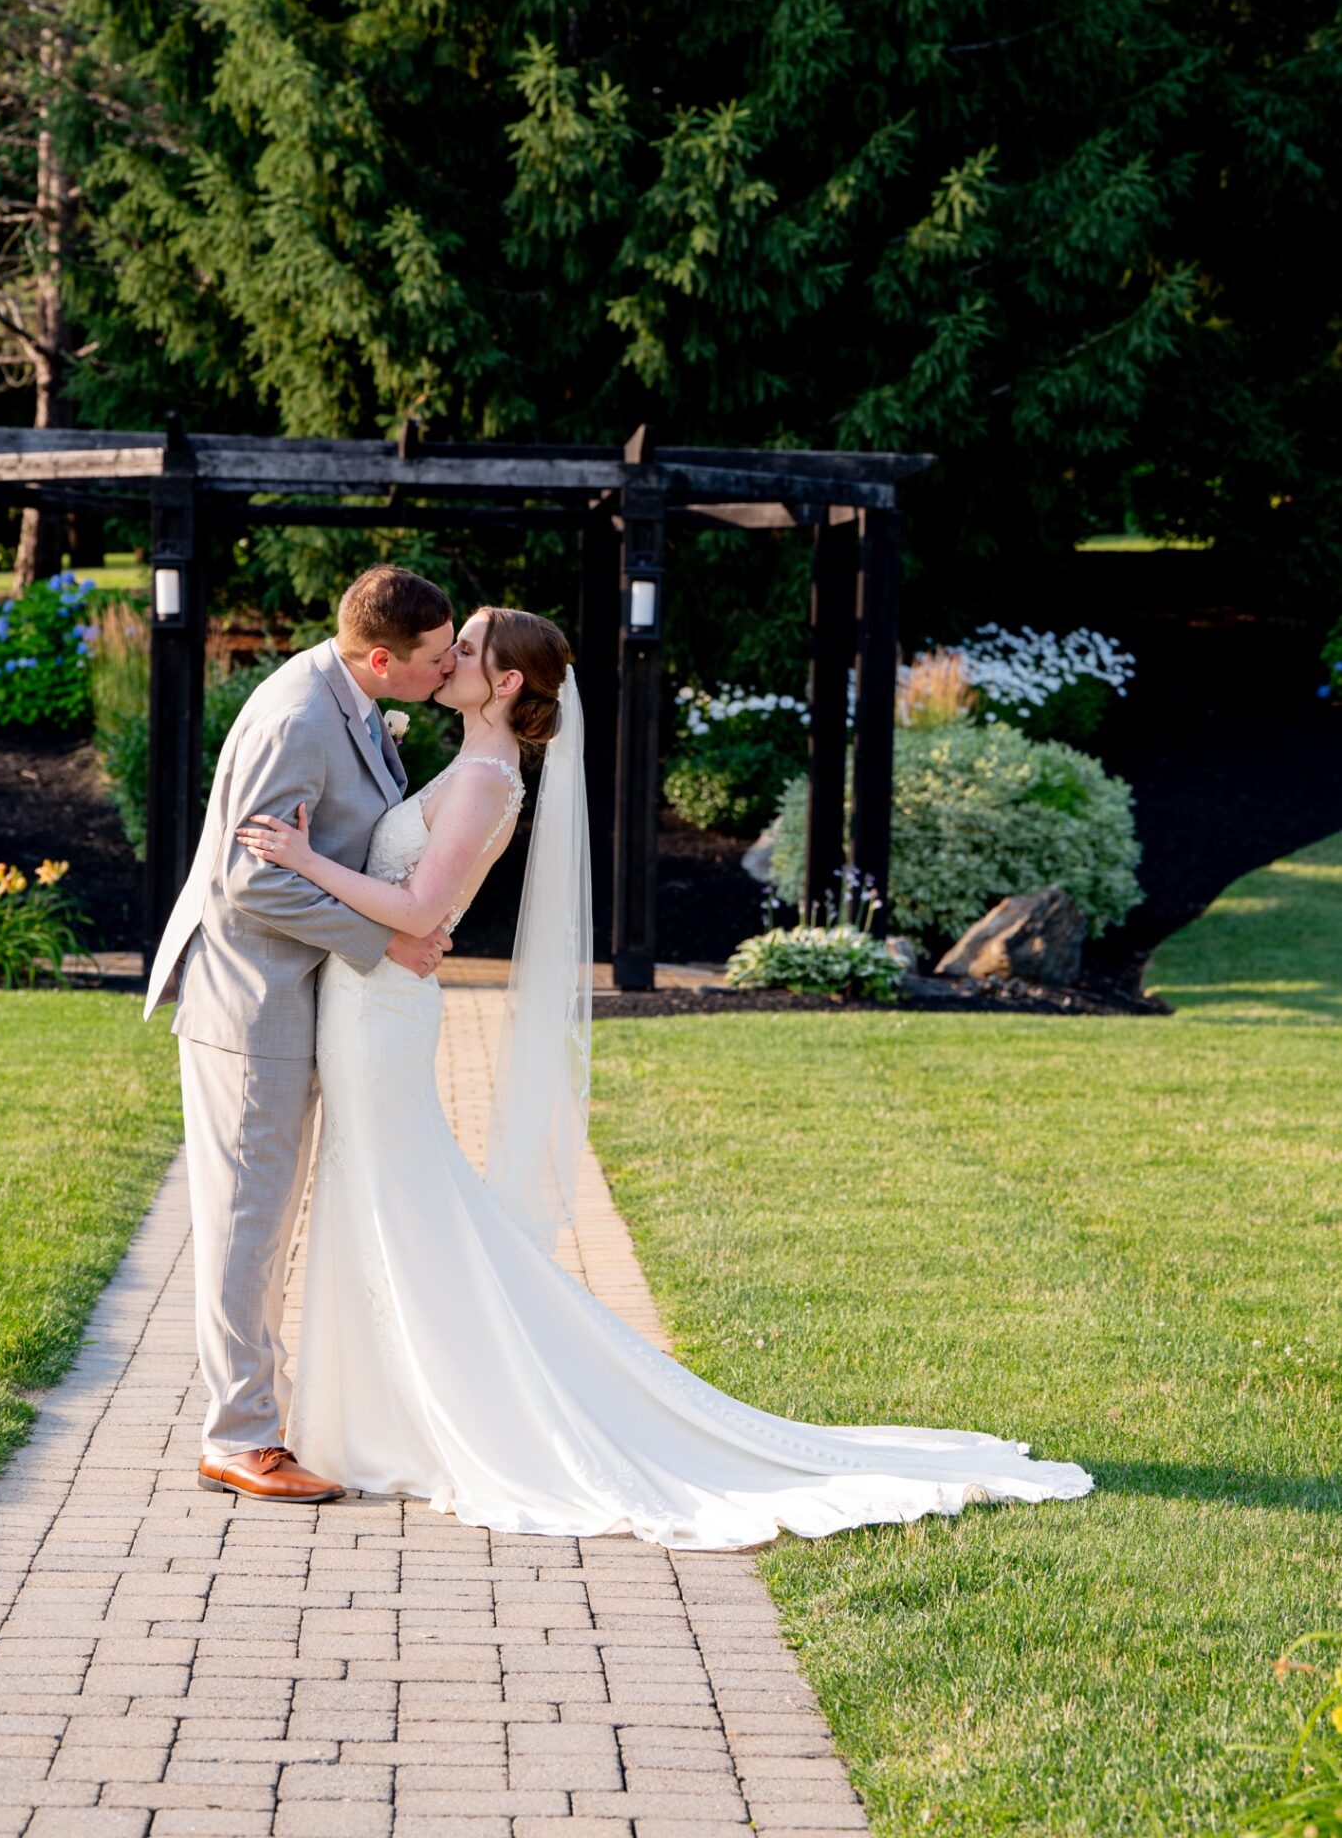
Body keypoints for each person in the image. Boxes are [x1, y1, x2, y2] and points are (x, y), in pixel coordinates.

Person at [234, 604, 1095, 1547]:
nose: (449, 662)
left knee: (399, 1201)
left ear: (508, 683)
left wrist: (307, 858)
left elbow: (417, 905)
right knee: (380, 1200)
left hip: (383, 1014)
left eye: (467, 652)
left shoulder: (485, 777)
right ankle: (375, 1421)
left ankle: (421, 1421)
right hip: (371, 1006)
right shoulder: (470, 760)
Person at [143, 564, 458, 1503]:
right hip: (251, 1005)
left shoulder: (350, 698)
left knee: (266, 1219)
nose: (446, 672)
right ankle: (237, 1438)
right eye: (435, 660)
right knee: (248, 1222)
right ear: (378, 657)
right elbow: (253, 881)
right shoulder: (300, 719)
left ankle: (262, 1420)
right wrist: (386, 939)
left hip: (295, 997)